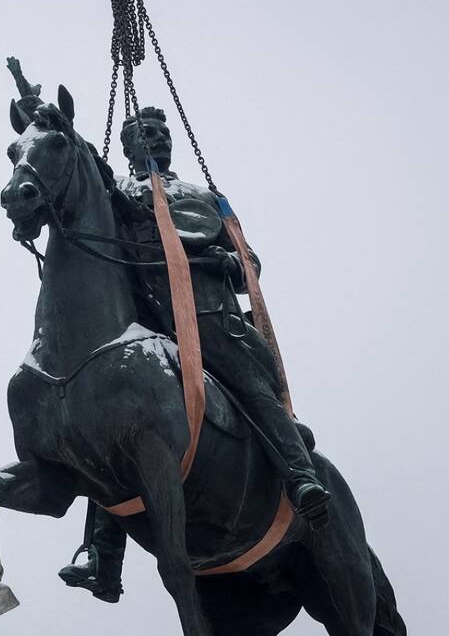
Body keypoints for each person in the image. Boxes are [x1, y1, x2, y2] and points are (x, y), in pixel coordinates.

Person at [60, 107, 330, 602]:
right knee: (113, 429)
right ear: (127, 146)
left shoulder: (202, 195)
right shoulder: (121, 193)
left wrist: (224, 260)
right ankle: (103, 557)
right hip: (147, 320)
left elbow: (250, 260)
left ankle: (301, 477)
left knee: (251, 386)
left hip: (207, 312)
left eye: (161, 133)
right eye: (144, 134)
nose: (155, 140)